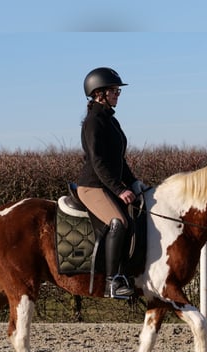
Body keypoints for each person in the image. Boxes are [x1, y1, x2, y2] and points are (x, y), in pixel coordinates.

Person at [76, 66, 143, 299]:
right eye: (114, 90)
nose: (117, 94)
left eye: (118, 91)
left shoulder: (111, 120)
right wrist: (119, 189)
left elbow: (119, 160)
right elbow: (97, 162)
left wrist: (134, 183)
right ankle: (113, 281)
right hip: (92, 186)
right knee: (119, 222)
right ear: (99, 93)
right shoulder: (94, 121)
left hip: (108, 185)